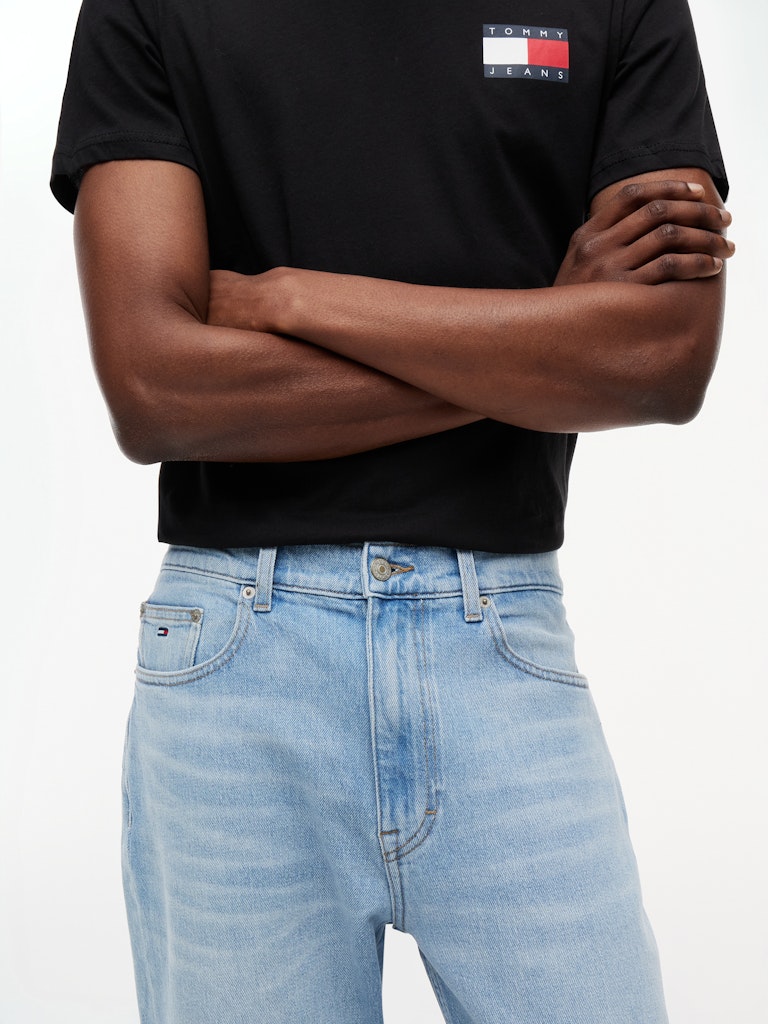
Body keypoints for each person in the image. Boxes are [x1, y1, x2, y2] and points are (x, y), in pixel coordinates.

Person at [52, 0, 731, 1021]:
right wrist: (541, 337)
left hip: (501, 637)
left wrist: (287, 298)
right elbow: (157, 392)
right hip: (237, 663)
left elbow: (660, 362)